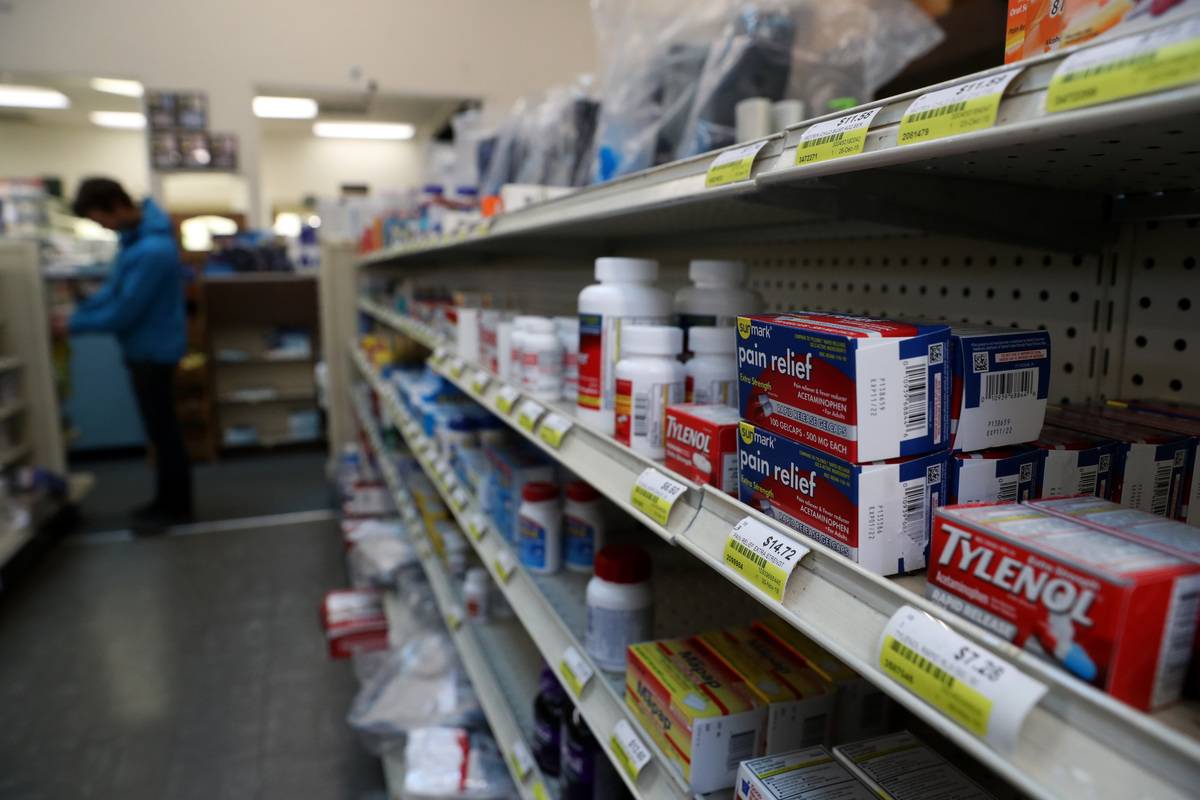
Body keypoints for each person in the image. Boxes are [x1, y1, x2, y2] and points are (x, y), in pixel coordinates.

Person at [68, 178, 192, 533]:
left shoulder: (152, 250)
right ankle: (166, 501)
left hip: (154, 351)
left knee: (164, 431)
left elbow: (125, 310)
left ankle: (175, 506)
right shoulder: (135, 242)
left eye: (101, 219)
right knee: (159, 430)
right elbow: (113, 293)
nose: (104, 227)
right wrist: (81, 311)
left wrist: (73, 324)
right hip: (143, 348)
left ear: (116, 206)